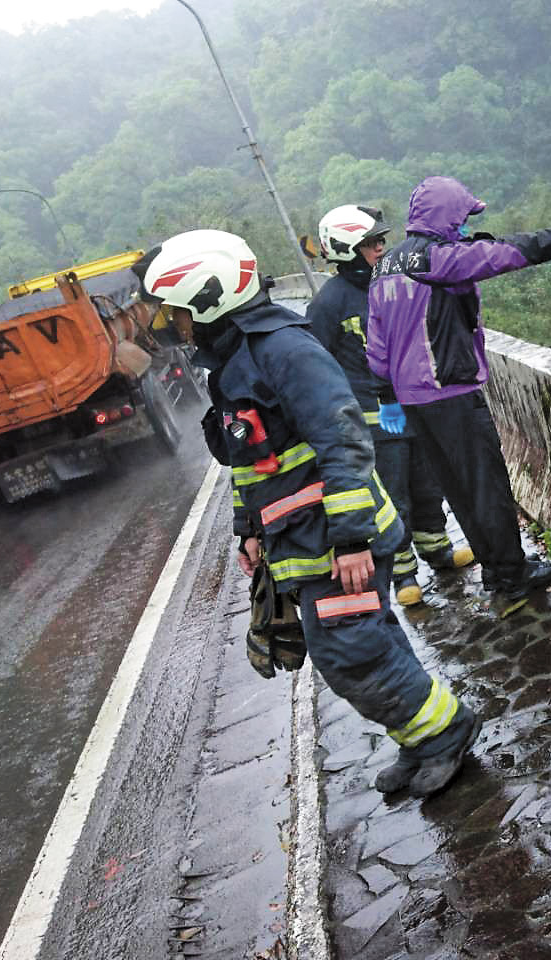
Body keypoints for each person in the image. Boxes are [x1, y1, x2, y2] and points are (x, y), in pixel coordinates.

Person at [137, 228, 479, 797]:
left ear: (207, 298)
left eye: (175, 312)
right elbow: (250, 461)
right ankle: (421, 739)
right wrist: (248, 528)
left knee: (348, 648)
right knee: (370, 637)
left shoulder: (284, 350)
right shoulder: (233, 365)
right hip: (303, 539)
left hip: (337, 536)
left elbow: (342, 439)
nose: (171, 324)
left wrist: (349, 538)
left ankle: (445, 731)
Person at [366, 176, 551, 615]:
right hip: (450, 393)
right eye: (463, 219)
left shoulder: (384, 266)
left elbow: (377, 344)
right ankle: (512, 578)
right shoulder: (439, 260)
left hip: (414, 403)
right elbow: (507, 252)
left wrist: (387, 393)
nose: (466, 228)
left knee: (459, 490)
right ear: (446, 217)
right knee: (487, 486)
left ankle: (496, 569)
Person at [307, 203, 472, 607]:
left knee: (428, 483)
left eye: (382, 240)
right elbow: (318, 367)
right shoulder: (328, 305)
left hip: (415, 405)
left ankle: (438, 550)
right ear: (347, 251)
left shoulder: (394, 281)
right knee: (392, 496)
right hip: (373, 423)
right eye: (371, 243)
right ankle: (404, 574)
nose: (381, 248)